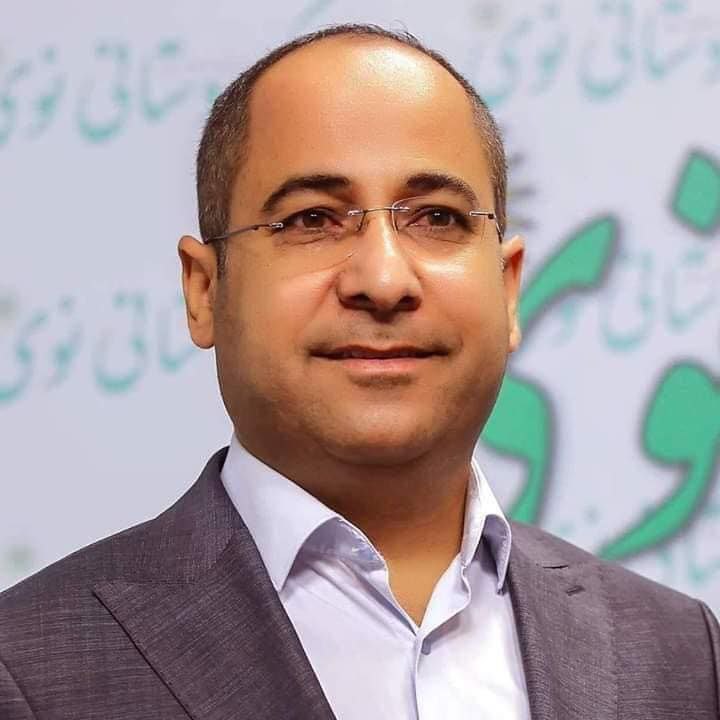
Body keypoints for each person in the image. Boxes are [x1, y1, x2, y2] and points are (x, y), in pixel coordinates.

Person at [0, 23, 718, 720]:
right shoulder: (28, 668)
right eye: (312, 219)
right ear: (204, 290)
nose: (382, 280)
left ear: (507, 288)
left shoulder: (681, 653)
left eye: (437, 218)